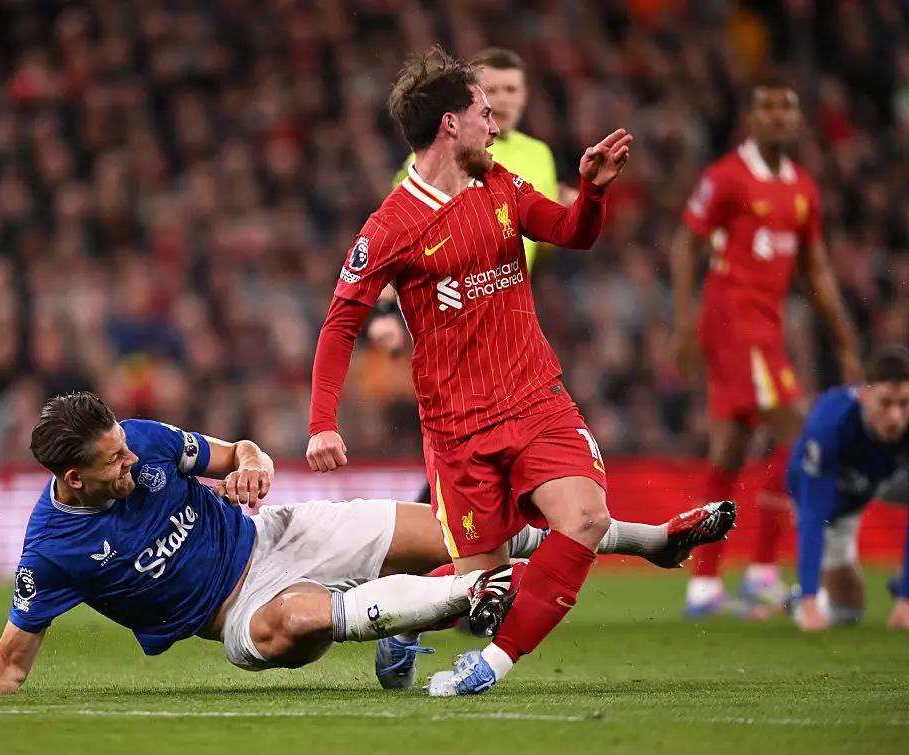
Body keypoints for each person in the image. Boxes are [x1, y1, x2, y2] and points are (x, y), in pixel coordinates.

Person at [305, 47, 735, 697]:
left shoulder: (498, 181)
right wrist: (322, 423)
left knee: (584, 520)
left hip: (534, 397)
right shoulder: (391, 224)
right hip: (457, 426)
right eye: (483, 109)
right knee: (481, 590)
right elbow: (340, 323)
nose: (495, 120)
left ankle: (491, 665)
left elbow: (571, 232)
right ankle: (403, 621)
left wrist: (591, 190)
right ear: (451, 123)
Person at [0, 391, 734, 697]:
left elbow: (237, 454)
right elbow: (13, 661)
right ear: (72, 477)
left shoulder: (143, 439)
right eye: (114, 463)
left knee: (456, 532)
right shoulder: (51, 547)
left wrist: (256, 463)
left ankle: (654, 541)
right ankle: (457, 599)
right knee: (297, 623)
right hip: (239, 611)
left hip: (281, 530)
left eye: (128, 451)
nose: (132, 462)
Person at [670, 77, 863, 617]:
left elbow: (817, 268)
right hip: (731, 320)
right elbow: (685, 241)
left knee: (732, 447)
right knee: (802, 433)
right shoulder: (726, 178)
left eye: (787, 108)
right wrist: (684, 322)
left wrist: (845, 342)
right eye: (767, 107)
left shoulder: (802, 187)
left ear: (798, 121)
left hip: (766, 326)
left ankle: (706, 586)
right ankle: (764, 572)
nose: (778, 117)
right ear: (750, 119)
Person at [370, 47, 577, 506]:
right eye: (494, 91)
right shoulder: (436, 158)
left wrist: (571, 208)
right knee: (465, 437)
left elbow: (536, 228)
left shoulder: (538, 155)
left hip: (508, 308)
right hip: (452, 313)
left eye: (512, 90)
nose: (503, 100)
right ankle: (431, 533)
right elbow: (395, 245)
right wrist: (385, 311)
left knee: (517, 434)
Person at [785, 346, 909, 632]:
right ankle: (793, 599)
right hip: (838, 498)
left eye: (904, 404)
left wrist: (905, 601)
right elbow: (814, 514)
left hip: (891, 478)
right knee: (845, 612)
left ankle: (902, 581)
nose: (895, 417)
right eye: (886, 403)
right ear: (865, 395)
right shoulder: (829, 426)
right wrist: (809, 603)